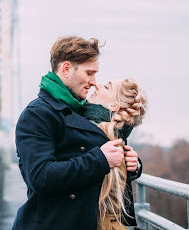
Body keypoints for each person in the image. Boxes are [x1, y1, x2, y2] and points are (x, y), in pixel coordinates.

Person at [12, 36, 142, 230]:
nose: (93, 82)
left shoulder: (80, 110)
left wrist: (131, 164)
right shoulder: (37, 114)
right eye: (89, 73)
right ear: (66, 69)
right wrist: (100, 159)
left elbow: (93, 160)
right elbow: (41, 176)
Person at [83, 79, 147, 230]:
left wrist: (134, 165)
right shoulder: (112, 131)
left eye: (106, 87)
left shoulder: (98, 129)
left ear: (113, 106)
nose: (96, 85)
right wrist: (134, 165)